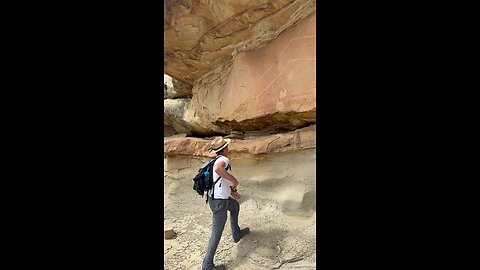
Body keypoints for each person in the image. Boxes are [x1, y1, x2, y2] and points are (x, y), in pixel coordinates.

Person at [201, 137, 250, 270]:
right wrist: (234, 179)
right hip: (219, 202)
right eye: (227, 146)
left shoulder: (214, 160)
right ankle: (207, 265)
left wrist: (232, 191)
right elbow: (218, 169)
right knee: (216, 232)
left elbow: (220, 181)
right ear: (225, 148)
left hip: (215, 199)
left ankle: (236, 233)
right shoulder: (223, 160)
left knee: (234, 206)